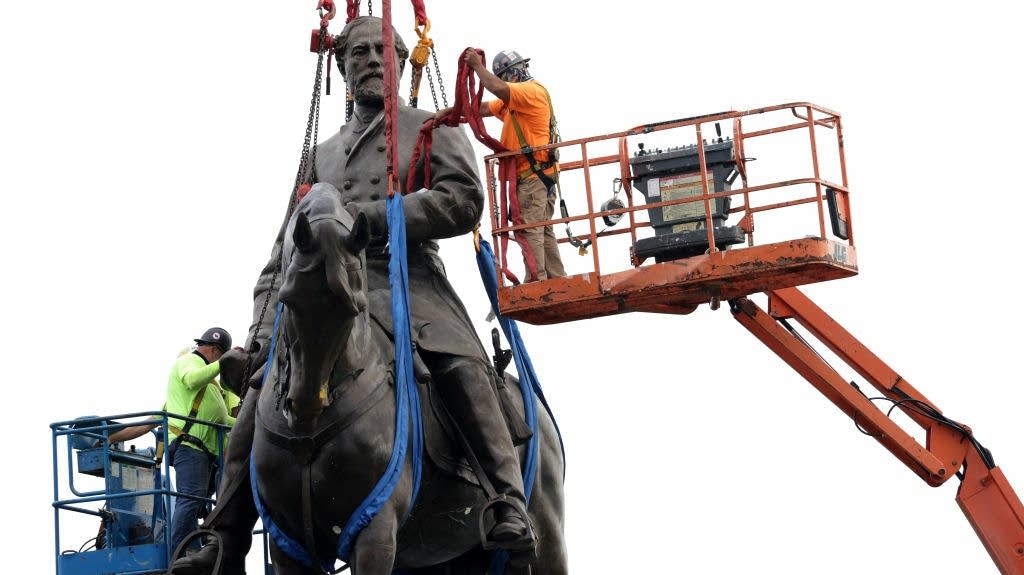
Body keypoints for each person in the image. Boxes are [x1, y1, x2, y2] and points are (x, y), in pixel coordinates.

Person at [171, 16, 534, 575]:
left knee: (458, 362)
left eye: (381, 51)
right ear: (342, 68)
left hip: (409, 277)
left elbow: (464, 200)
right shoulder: (322, 154)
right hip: (327, 284)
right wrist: (260, 335)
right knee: (265, 387)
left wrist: (374, 217)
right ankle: (224, 535)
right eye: (358, 53)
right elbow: (283, 250)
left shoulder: (431, 127)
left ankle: (506, 497)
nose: (370, 60)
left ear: (399, 62)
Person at [439, 48, 566, 282]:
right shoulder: (516, 102)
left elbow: (497, 88)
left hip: (533, 178)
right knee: (542, 229)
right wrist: (452, 113)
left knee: (530, 230)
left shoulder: (530, 92)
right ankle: (557, 279)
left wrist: (477, 66)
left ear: (513, 73)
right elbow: (484, 108)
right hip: (539, 177)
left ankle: (537, 281)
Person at [166, 327, 238, 556]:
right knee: (190, 498)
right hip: (189, 445)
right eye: (221, 356)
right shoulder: (189, 362)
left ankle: (194, 550)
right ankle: (180, 555)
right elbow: (191, 380)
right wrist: (223, 363)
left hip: (203, 450)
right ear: (215, 350)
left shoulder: (211, 382)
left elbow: (222, 418)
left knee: (196, 501)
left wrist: (250, 422)